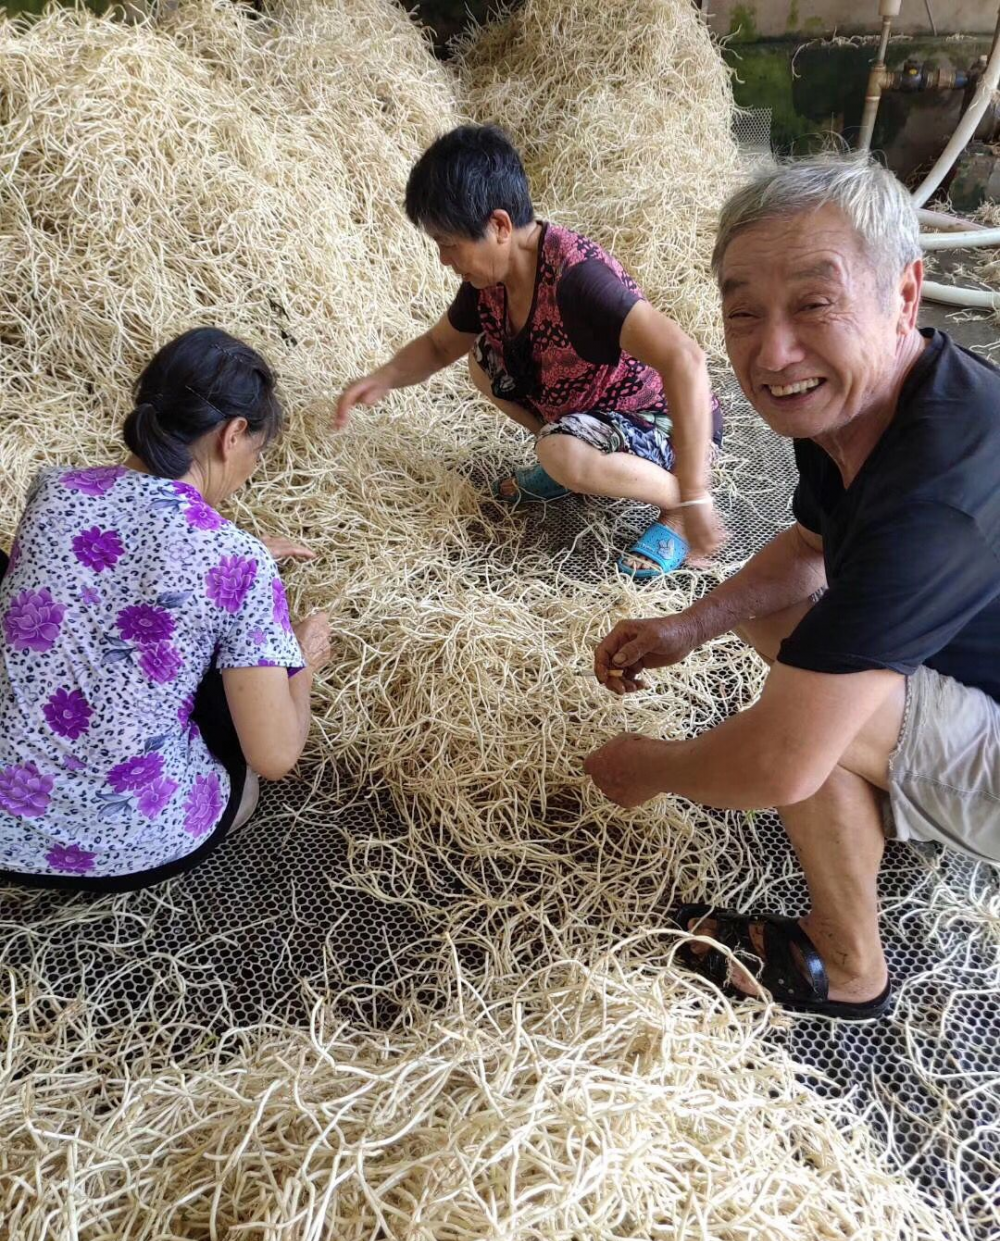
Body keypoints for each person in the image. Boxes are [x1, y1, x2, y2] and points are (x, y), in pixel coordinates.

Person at [584, 155, 1000, 1021]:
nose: (772, 353)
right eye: (744, 313)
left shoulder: (940, 488)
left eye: (815, 304)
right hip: (967, 666)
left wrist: (650, 770)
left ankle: (847, 965)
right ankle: (887, 785)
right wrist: (686, 627)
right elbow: (809, 547)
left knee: (797, 721)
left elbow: (780, 759)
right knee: (791, 642)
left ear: (906, 297)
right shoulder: (859, 399)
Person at [0, 328, 332, 891]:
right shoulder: (239, 563)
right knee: (242, 709)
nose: (254, 466)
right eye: (259, 450)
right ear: (233, 435)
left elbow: (104, 575)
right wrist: (299, 665)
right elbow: (276, 757)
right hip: (135, 845)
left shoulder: (53, 490)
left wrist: (224, 547)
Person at [335, 124, 725, 578]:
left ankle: (676, 505)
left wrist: (695, 491)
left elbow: (687, 359)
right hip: (589, 411)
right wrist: (380, 378)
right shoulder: (488, 282)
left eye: (449, 244)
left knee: (558, 452)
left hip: (660, 420)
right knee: (482, 362)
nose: (444, 259)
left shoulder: (577, 279)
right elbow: (440, 345)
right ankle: (574, 467)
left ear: (499, 225)